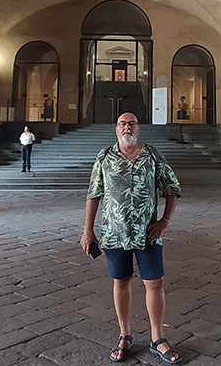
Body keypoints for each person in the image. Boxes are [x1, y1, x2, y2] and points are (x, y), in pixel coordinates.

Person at [80, 112, 183, 364]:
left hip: (148, 233)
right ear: (116, 129)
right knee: (121, 281)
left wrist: (164, 221)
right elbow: (94, 194)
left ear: (139, 128)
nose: (127, 127)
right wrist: (88, 229)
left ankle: (157, 338)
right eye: (122, 123)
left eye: (132, 123)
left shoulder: (152, 155)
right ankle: (124, 335)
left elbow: (172, 188)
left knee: (154, 282)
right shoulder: (104, 156)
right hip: (114, 233)